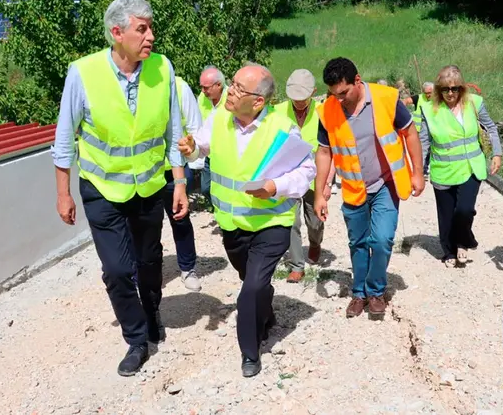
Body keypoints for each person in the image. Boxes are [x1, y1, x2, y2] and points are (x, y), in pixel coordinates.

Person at [51, 0, 188, 376]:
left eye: (150, 28)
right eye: (142, 29)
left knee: (148, 261)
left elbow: (173, 131)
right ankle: (136, 339)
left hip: (147, 185)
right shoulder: (83, 72)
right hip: (101, 188)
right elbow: (64, 137)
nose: (151, 37)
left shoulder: (162, 68)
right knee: (116, 268)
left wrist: (179, 183)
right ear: (117, 33)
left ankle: (152, 308)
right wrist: (63, 193)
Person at [178, 64, 315, 378]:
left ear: (258, 102)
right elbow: (200, 146)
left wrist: (276, 187)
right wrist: (191, 148)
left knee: (250, 287)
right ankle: (265, 315)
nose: (231, 92)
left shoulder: (282, 128)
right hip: (233, 226)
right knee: (253, 283)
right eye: (232, 84)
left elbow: (306, 170)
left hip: (271, 223)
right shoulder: (220, 120)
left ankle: (250, 352)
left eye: (239, 88)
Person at [314, 57, 425, 319]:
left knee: (382, 239)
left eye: (344, 92)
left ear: (357, 80)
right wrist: (320, 193)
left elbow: (410, 133)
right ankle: (359, 293)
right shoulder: (327, 110)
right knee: (358, 242)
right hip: (353, 188)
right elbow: (324, 152)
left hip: (386, 183)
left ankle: (375, 290)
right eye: (333, 94)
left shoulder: (385, 99)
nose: (339, 99)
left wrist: (417, 173)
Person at [417, 66, 502, 267]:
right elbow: (424, 142)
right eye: (445, 89)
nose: (450, 93)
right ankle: (449, 252)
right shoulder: (429, 110)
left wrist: (497, 152)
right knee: (446, 215)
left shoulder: (474, 103)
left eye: (455, 88)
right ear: (439, 90)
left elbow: (490, 127)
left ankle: (464, 240)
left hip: (471, 167)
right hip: (443, 169)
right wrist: (419, 171)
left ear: (461, 88)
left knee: (464, 209)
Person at [276, 69, 328, 282]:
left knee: (314, 221)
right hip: (288, 174)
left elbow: (329, 149)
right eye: (294, 98)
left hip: (315, 176)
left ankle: (315, 243)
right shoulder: (277, 111)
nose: (298, 102)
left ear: (313, 92)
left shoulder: (323, 112)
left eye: (302, 98)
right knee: (291, 221)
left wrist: (326, 184)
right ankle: (296, 265)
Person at [170, 74, 204, 291]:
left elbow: (194, 127)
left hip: (176, 169)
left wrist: (195, 163)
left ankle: (187, 267)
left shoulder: (180, 88)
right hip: (143, 171)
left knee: (179, 218)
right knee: (142, 225)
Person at [188, 66, 226, 207]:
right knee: (206, 188)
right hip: (207, 152)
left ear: (218, 85)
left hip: (224, 154)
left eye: (206, 87)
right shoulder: (202, 99)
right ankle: (217, 207)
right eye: (201, 87)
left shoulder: (232, 98)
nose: (203, 91)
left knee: (225, 188)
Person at [412, 81, 434, 176]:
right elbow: (406, 101)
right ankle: (419, 172)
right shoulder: (420, 98)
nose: (428, 95)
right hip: (424, 127)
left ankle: (425, 169)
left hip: (435, 127)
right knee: (423, 149)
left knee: (432, 149)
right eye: (426, 93)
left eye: (430, 93)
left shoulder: (440, 98)